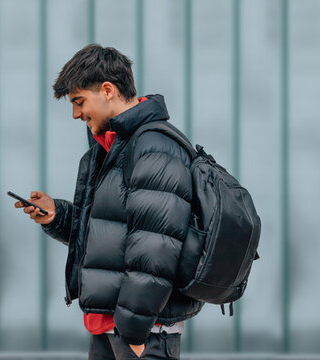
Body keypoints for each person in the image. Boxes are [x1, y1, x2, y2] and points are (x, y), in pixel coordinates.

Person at [15, 44, 203, 359]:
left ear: (107, 90)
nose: (75, 113)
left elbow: (155, 249)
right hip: (109, 325)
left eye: (78, 101)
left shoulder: (153, 147)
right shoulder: (108, 148)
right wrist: (56, 216)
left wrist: (133, 331)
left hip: (142, 331)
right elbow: (110, 231)